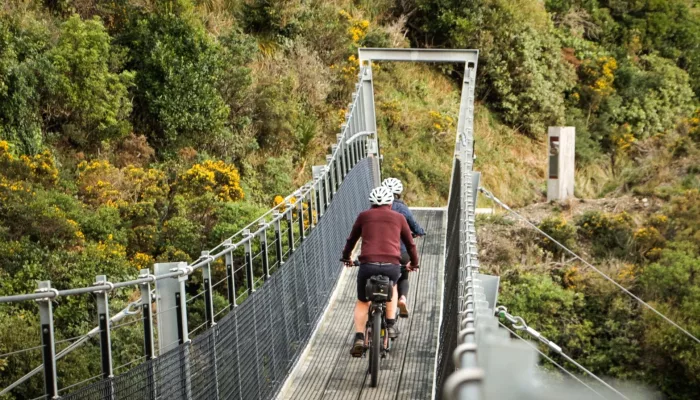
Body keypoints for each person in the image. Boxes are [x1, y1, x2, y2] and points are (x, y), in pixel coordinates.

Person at [341, 186, 419, 357]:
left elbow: (351, 240)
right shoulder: (399, 218)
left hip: (367, 265)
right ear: (390, 203)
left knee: (362, 301)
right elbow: (410, 244)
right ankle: (390, 324)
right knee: (393, 287)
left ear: (372, 203)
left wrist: (346, 257)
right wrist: (414, 263)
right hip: (392, 265)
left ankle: (360, 337)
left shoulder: (363, 216)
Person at [382, 177, 425, 318]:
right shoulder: (402, 208)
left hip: (378, 252)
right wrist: (420, 232)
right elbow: (415, 226)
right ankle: (402, 299)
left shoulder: (375, 207)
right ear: (398, 193)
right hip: (400, 252)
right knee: (403, 276)